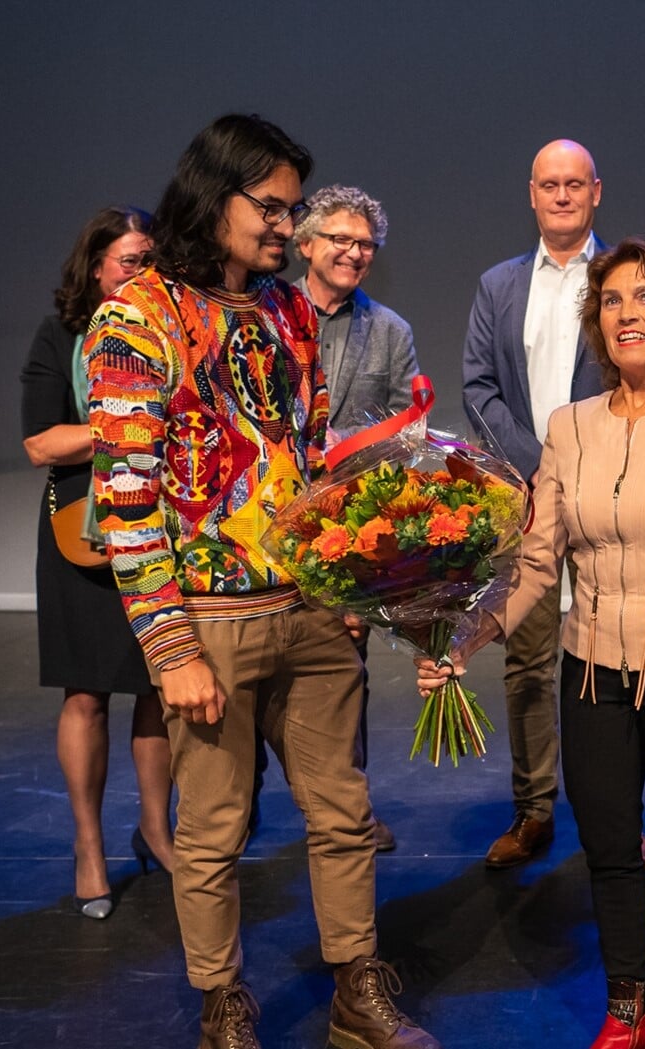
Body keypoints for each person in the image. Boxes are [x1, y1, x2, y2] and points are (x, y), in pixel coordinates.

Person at [87, 114, 438, 1049]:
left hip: (312, 614)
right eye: (271, 207)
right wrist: (168, 647)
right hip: (210, 624)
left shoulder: (288, 312)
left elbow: (307, 461)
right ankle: (223, 1006)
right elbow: (124, 496)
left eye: (293, 210)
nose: (286, 226)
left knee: (346, 812)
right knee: (211, 829)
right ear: (215, 195)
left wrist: (354, 581)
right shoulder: (137, 314)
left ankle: (357, 990)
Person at [424, 237, 645, 1049]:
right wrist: (468, 635)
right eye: (612, 300)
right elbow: (538, 560)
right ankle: (630, 1006)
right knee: (608, 846)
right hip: (591, 675)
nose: (627, 313)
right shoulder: (568, 427)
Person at [462, 139, 645, 872]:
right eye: (549, 184)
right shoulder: (497, 285)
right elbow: (478, 386)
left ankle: (621, 819)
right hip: (528, 494)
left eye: (574, 184)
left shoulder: (624, 282)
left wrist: (587, 460)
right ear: (531, 193)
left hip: (611, 493)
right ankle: (534, 808)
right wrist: (538, 463)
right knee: (527, 663)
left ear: (596, 192)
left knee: (620, 658)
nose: (561, 196)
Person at [20, 205, 174, 918]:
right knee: (85, 693)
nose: (140, 273)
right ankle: (88, 844)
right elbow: (39, 443)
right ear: (96, 267)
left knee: (158, 687)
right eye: (128, 261)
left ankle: (155, 827)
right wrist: (122, 419)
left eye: (149, 260)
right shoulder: (61, 334)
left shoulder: (168, 332)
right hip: (81, 531)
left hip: (161, 527)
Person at [264, 183, 421, 853]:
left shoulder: (388, 330)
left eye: (366, 245)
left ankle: (346, 804)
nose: (356, 253)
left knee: (342, 673)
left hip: (343, 527)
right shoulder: (262, 315)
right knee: (253, 671)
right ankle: (241, 806)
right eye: (342, 240)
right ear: (305, 244)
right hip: (261, 522)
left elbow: (407, 431)